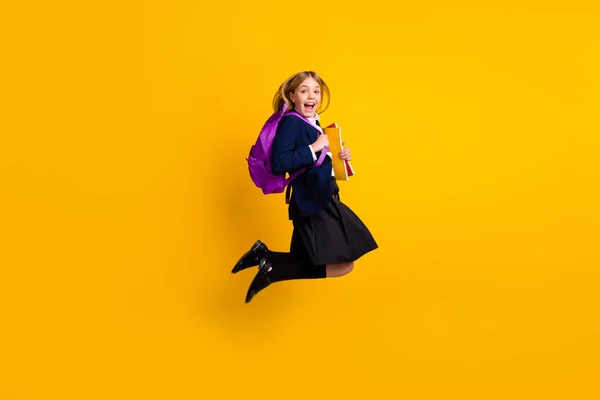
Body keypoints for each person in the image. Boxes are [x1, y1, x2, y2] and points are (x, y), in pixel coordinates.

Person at [232, 71, 378, 303]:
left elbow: (319, 163)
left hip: (322, 195)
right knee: (343, 265)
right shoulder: (291, 122)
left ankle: (264, 257)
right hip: (313, 202)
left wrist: (341, 156)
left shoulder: (315, 123)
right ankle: (271, 267)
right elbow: (281, 163)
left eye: (316, 91)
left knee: (309, 260)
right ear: (292, 96)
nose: (311, 96)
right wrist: (315, 146)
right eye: (304, 91)